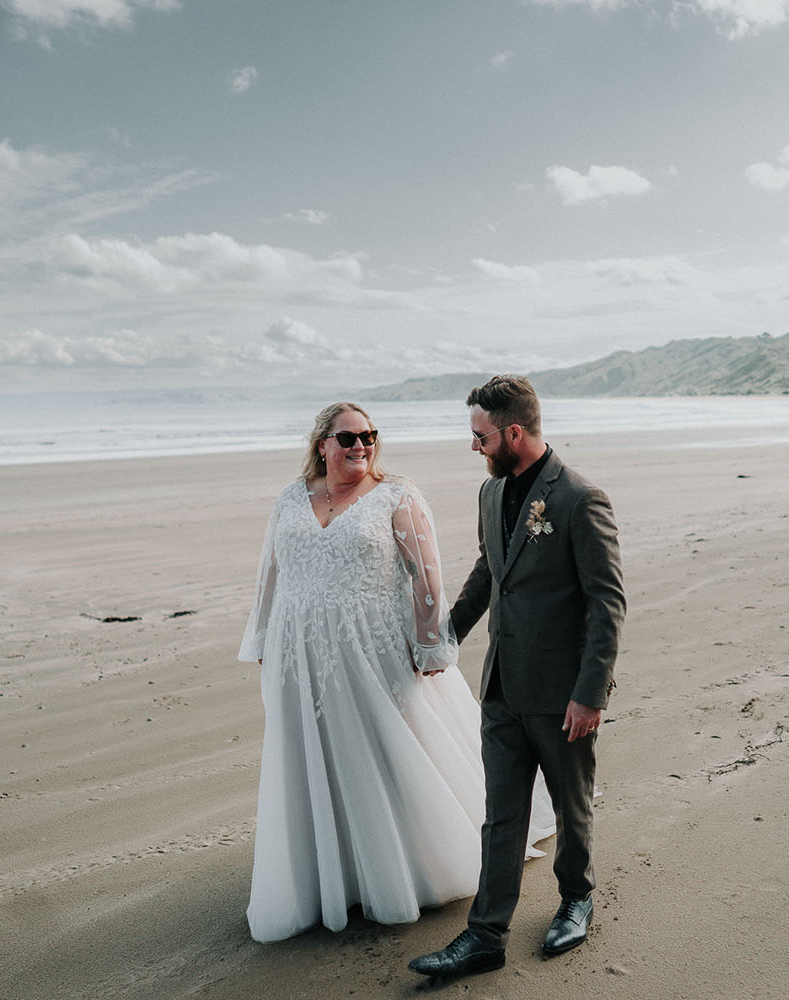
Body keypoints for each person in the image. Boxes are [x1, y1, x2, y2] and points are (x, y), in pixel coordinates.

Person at [237, 401, 551, 942]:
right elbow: (271, 574)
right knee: (315, 755)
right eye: (348, 438)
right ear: (322, 444)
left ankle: (402, 863)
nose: (361, 446)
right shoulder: (289, 500)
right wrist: (265, 639)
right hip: (300, 655)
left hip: (373, 649)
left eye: (369, 437)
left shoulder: (397, 497)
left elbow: (426, 577)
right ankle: (330, 872)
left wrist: (432, 646)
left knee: (382, 751)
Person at [408, 375, 626, 977]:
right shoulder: (491, 493)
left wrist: (589, 694)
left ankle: (576, 900)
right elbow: (489, 572)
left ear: (513, 431)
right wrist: (443, 637)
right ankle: (485, 935)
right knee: (501, 814)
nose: (474, 447)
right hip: (500, 686)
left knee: (569, 804)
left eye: (480, 436)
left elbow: (607, 603)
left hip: (563, 694)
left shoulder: (580, 498)